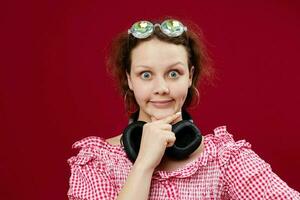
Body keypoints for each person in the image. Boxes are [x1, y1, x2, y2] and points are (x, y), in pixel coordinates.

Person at [67, 18, 300, 199]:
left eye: (174, 73)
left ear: (190, 76)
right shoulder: (96, 163)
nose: (162, 88)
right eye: (145, 74)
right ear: (129, 79)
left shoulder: (224, 158)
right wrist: (144, 163)